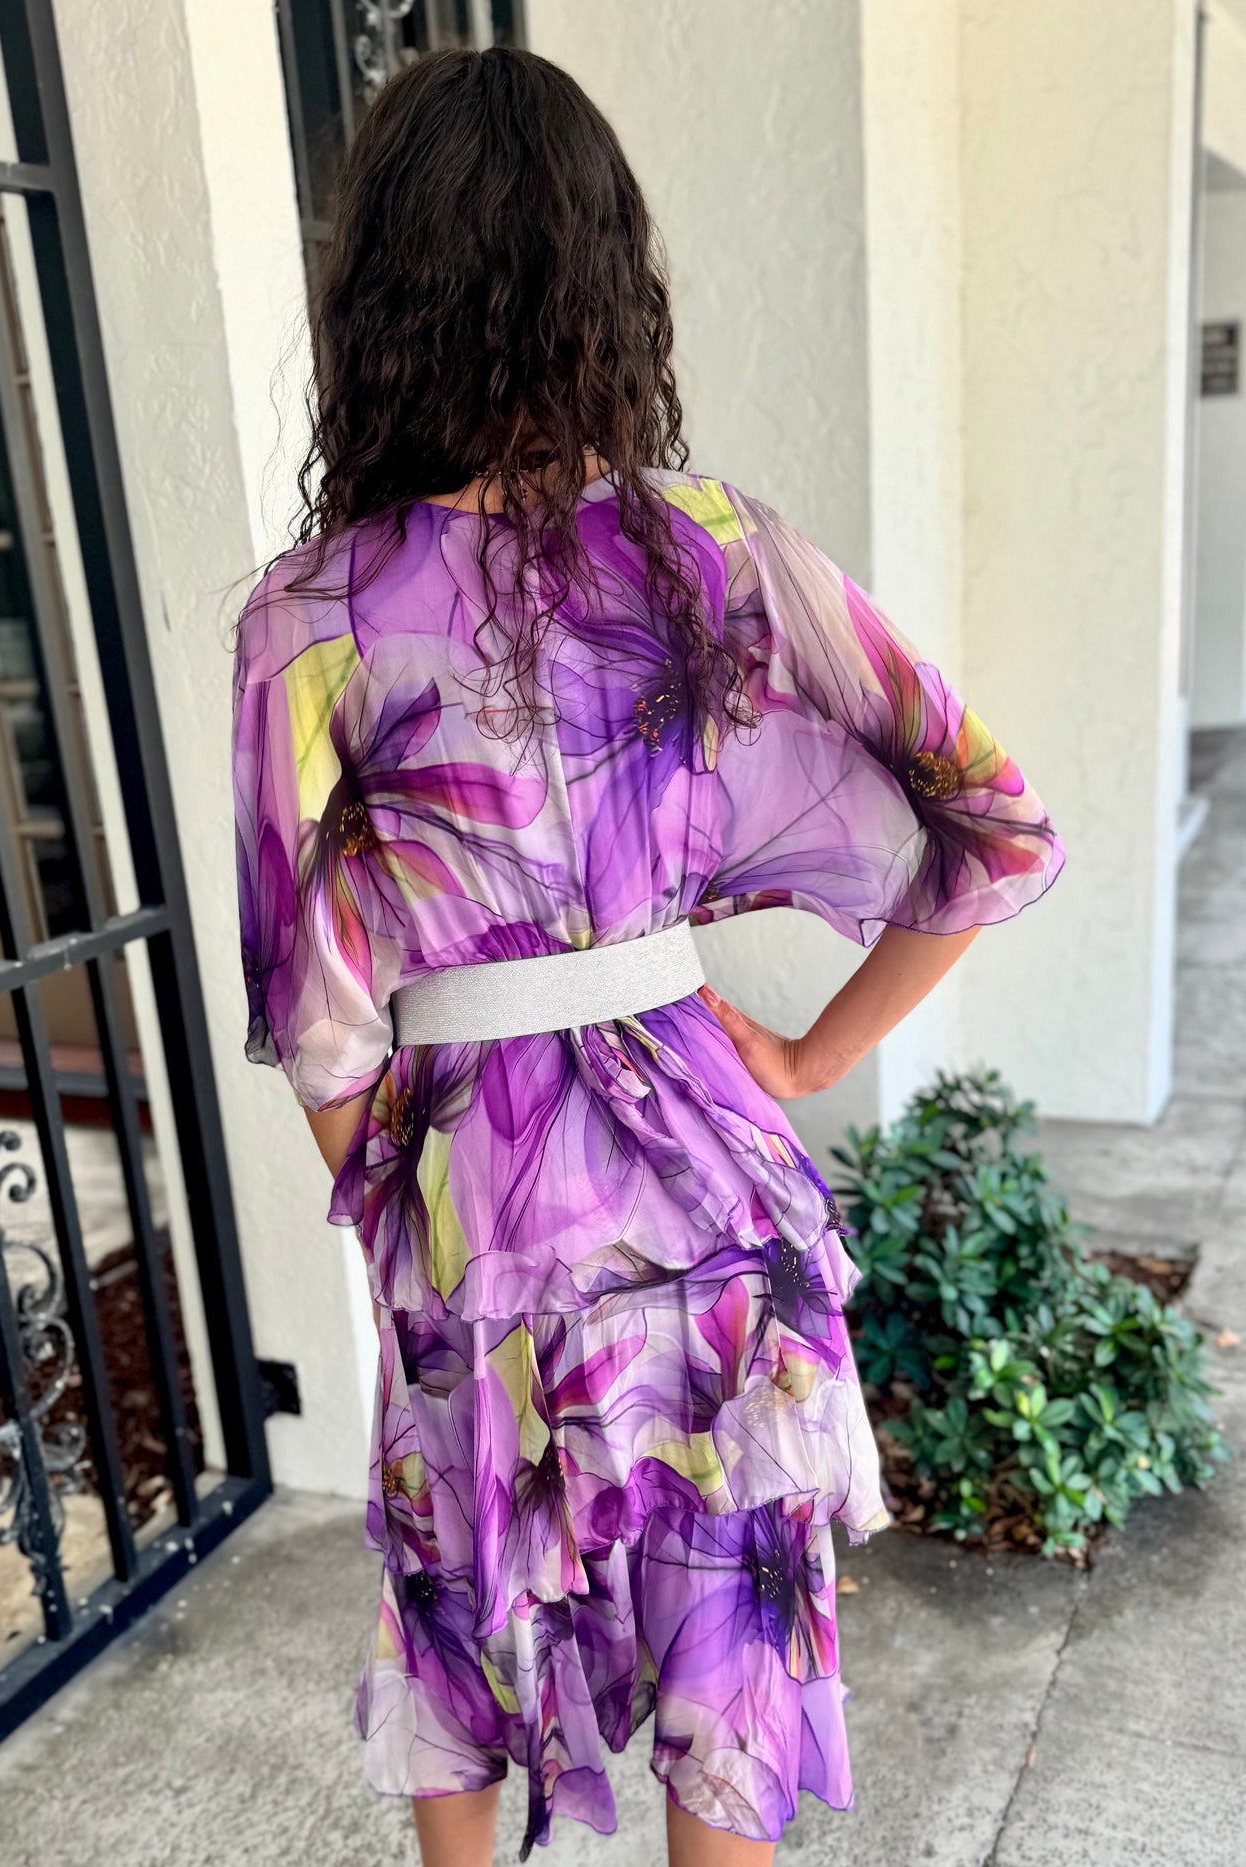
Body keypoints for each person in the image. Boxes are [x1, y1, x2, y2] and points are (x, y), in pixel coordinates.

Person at [231, 44, 1063, 1867]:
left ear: (379, 298)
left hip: (482, 1205)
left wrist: (405, 1225)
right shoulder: (709, 551)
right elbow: (992, 821)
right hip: (718, 1191)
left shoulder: (309, 621)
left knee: (457, 1616)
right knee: (730, 1679)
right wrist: (810, 1058)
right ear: (611, 281)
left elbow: (320, 1024)